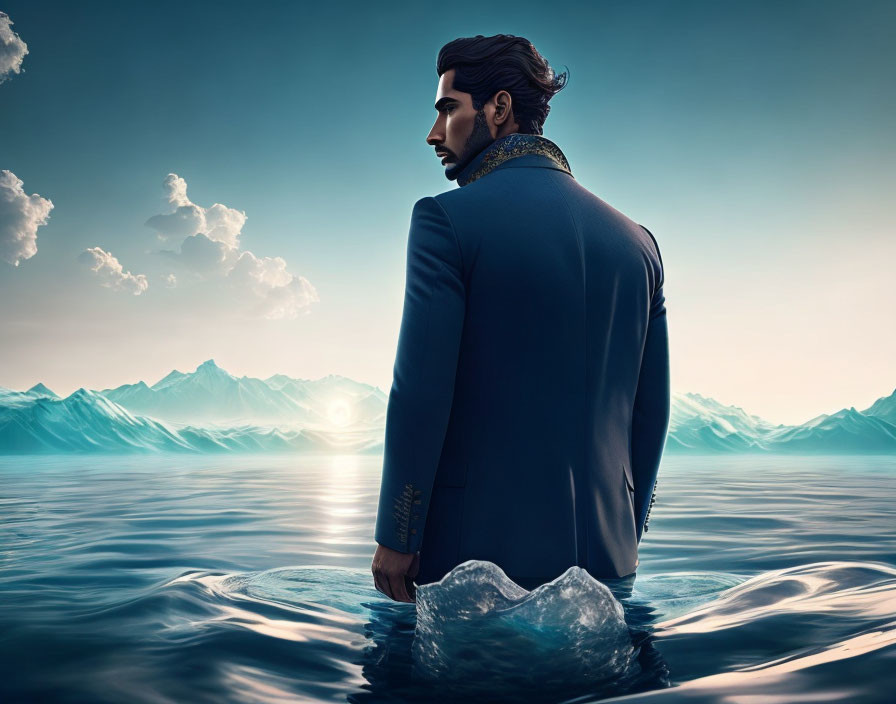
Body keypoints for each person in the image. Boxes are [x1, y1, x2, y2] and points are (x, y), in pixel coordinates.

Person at [371, 34, 670, 603]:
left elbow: (421, 390)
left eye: (447, 108)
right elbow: (649, 410)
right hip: (610, 563)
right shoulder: (639, 245)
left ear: (499, 108)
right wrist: (628, 529)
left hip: (477, 564)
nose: (434, 134)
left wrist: (399, 533)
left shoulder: (445, 222)